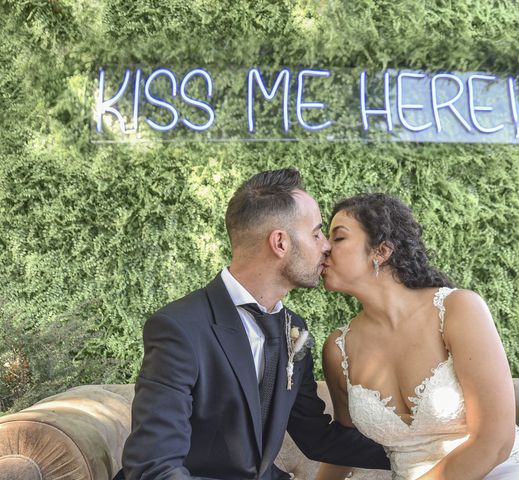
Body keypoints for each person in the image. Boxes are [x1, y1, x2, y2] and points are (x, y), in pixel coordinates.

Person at [115, 169, 390, 480]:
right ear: (280, 243)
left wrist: (414, 451)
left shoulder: (294, 330)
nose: (326, 246)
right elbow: (154, 468)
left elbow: (316, 437)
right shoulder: (179, 329)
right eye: (315, 233)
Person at [315, 193, 519, 480]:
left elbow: (495, 440)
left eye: (338, 238)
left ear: (381, 251)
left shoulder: (457, 309)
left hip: (506, 470)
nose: (324, 247)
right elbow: (343, 445)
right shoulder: (338, 349)